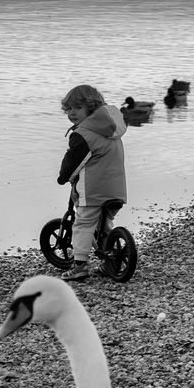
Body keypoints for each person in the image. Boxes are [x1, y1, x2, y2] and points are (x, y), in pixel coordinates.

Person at [57, 84, 127, 281]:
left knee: (83, 224)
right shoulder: (112, 129)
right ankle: (110, 262)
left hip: (93, 190)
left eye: (77, 108)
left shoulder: (83, 134)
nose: (71, 113)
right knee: (104, 224)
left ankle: (79, 265)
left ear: (91, 107)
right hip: (116, 189)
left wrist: (64, 177)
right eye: (68, 109)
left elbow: (74, 161)